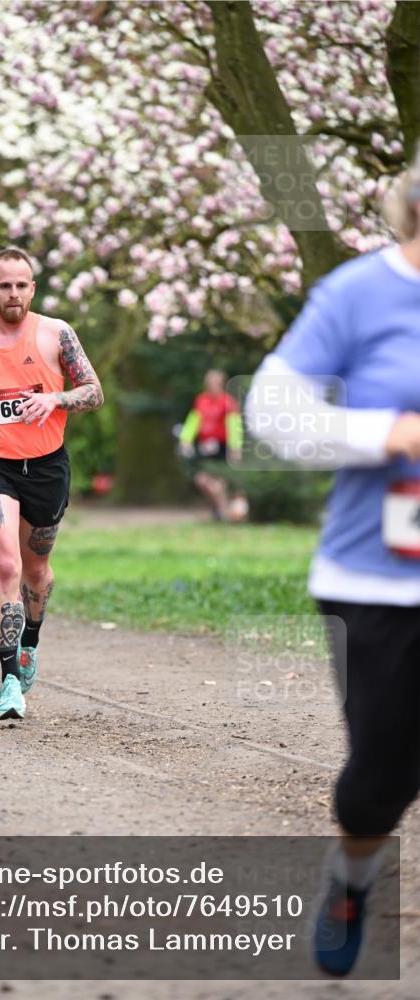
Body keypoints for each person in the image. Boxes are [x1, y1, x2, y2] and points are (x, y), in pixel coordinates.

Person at [246, 148, 420, 977]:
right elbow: (271, 409)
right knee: (380, 775)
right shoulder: (360, 292)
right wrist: (384, 433)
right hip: (375, 579)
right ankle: (351, 878)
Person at [0, 246, 103, 721]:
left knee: (36, 570)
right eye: (4, 285)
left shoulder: (56, 334)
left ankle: (30, 640)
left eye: (20, 285)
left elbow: (94, 392)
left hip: (47, 467)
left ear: (32, 289)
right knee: (7, 564)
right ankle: (10, 680)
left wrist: (54, 399)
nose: (13, 293)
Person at [178, 369, 247, 521]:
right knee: (202, 480)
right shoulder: (201, 401)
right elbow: (193, 421)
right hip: (205, 448)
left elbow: (234, 425)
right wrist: (186, 439)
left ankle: (224, 513)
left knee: (219, 483)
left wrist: (235, 447)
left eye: (215, 382)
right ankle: (219, 510)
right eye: (210, 382)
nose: (212, 385)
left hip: (222, 448)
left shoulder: (228, 402)